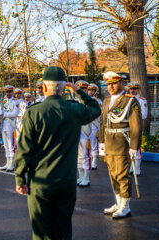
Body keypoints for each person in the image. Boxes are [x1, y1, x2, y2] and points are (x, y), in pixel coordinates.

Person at [14, 66, 101, 240]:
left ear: (44, 87)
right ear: (63, 88)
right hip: (66, 183)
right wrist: (77, 90)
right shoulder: (74, 110)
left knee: (41, 232)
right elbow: (95, 107)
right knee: (63, 230)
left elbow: (24, 150)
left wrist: (20, 178)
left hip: (40, 183)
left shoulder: (33, 112)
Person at [99, 71, 142, 219]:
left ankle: (126, 206)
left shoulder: (130, 101)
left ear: (122, 83)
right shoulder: (106, 100)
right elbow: (103, 123)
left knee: (122, 175)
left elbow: (136, 125)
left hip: (122, 142)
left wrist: (134, 147)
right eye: (109, 84)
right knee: (113, 175)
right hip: (110, 143)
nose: (111, 86)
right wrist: (102, 142)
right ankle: (118, 203)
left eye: (114, 83)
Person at [127, 82, 147, 176]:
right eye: (131, 89)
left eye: (135, 89)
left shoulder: (142, 101)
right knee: (129, 148)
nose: (133, 91)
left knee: (137, 148)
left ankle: (137, 167)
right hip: (127, 128)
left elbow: (144, 115)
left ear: (138, 90)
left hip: (136, 127)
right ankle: (132, 166)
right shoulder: (126, 100)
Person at [75, 80, 93, 187]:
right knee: (78, 155)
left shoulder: (90, 102)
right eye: (79, 89)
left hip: (86, 130)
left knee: (86, 155)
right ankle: (80, 176)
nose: (81, 91)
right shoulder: (73, 101)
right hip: (76, 129)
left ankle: (86, 177)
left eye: (84, 89)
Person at [0, 85, 19, 172]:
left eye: (10, 92)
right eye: (7, 92)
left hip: (11, 125)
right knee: (6, 146)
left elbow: (15, 113)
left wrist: (5, 114)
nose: (8, 93)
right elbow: (0, 112)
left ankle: (12, 163)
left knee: (11, 145)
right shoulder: (3, 101)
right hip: (4, 125)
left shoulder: (15, 101)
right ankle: (7, 162)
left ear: (12, 92)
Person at [87, 83, 103, 170]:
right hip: (85, 125)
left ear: (95, 91)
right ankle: (87, 160)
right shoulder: (84, 99)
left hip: (93, 124)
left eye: (92, 90)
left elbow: (99, 113)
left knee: (93, 144)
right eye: (89, 90)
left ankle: (94, 161)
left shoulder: (98, 101)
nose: (90, 92)